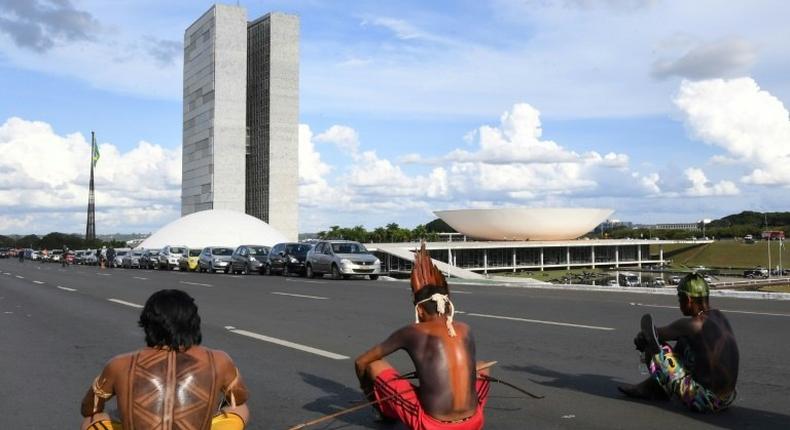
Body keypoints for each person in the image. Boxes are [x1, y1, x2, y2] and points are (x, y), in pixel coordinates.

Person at [354, 243, 490, 429]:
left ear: (420, 309)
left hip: (433, 424)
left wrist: (367, 391)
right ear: (447, 306)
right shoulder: (465, 328)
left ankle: (381, 412)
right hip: (474, 420)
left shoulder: (412, 331)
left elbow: (361, 362)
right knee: (482, 366)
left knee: (373, 364)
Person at [80, 289, 250, 430]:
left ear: (147, 325)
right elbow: (238, 399)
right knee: (240, 409)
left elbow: (89, 408)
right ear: (193, 323)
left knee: (94, 418)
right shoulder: (219, 359)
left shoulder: (120, 364)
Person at [618, 273, 739, 412]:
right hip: (727, 398)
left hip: (705, 401)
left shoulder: (693, 325)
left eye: (679, 298)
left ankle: (652, 388)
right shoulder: (719, 316)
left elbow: (651, 333)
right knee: (684, 340)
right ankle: (656, 387)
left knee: (654, 345)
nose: (678, 303)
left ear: (688, 300)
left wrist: (641, 342)